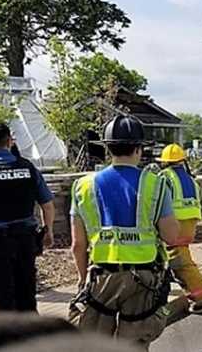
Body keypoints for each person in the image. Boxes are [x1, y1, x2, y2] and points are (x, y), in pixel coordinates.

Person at [68, 115, 180, 348]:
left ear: (108, 148)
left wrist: (82, 279)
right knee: (135, 343)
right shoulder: (156, 184)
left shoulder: (83, 186)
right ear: (139, 148)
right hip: (144, 278)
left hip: (102, 277)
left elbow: (78, 244)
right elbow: (171, 236)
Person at [0, 123, 55, 312]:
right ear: (9, 141)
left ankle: (8, 336)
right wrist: (48, 230)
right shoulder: (28, 167)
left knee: (1, 297)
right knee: (26, 294)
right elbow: (48, 205)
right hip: (25, 240)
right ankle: (30, 336)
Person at [156, 143, 202, 314]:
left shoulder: (165, 177)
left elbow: (160, 201)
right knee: (179, 259)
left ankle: (200, 298)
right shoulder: (190, 179)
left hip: (175, 223)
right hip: (190, 225)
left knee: (180, 263)